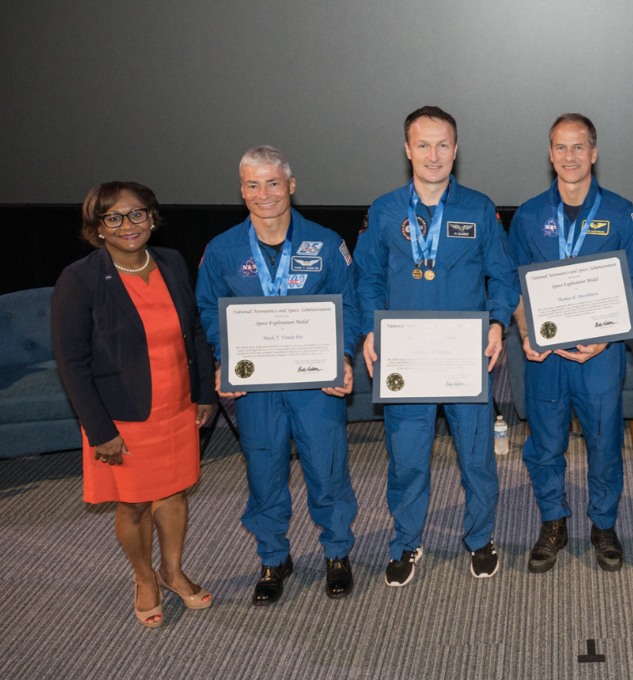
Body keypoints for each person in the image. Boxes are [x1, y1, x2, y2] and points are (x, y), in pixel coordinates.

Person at [356, 106, 518, 584]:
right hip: (406, 358)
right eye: (423, 144)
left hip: (464, 355)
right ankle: (406, 542)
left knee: (476, 457)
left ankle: (481, 536)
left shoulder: (479, 208)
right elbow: (366, 278)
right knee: (407, 458)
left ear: (456, 149)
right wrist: (369, 328)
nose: (434, 154)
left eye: (443, 144)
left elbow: (502, 276)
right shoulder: (384, 210)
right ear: (407, 150)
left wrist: (496, 324)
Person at [196, 146, 360, 605]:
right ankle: (273, 556)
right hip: (257, 387)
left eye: (273, 183)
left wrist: (343, 357)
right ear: (241, 191)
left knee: (327, 469)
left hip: (316, 383)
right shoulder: (223, 248)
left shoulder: (326, 243)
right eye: (253, 184)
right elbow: (209, 310)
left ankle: (337, 552)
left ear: (291, 185)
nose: (264, 193)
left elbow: (350, 306)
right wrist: (225, 356)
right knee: (264, 471)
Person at [52, 182, 217, 627]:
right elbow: (71, 361)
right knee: (135, 504)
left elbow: (195, 331)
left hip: (177, 405)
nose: (128, 225)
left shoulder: (171, 262)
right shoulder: (81, 279)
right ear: (98, 227)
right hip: (123, 415)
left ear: (152, 217)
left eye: (138, 214)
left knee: (175, 492)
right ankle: (144, 577)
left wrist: (203, 393)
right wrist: (99, 429)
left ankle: (173, 572)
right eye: (114, 217)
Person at [508, 113, 633, 574]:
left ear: (593, 152)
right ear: (550, 153)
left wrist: (607, 337)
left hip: (600, 356)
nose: (569, 157)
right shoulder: (528, 214)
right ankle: (553, 521)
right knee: (546, 444)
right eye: (560, 147)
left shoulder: (623, 213)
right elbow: (513, 285)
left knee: (604, 442)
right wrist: (527, 331)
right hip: (547, 355)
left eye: (579, 147)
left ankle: (604, 524)